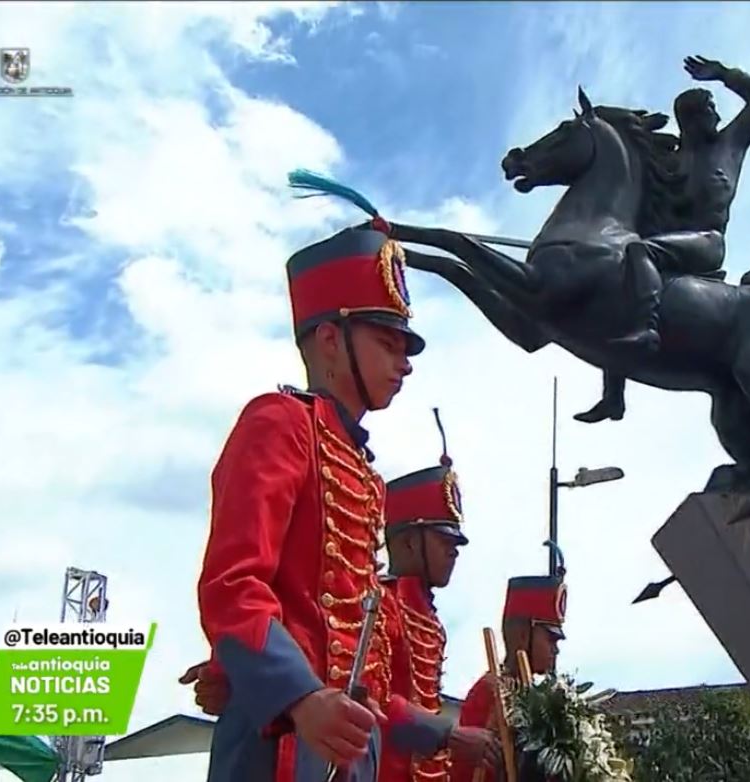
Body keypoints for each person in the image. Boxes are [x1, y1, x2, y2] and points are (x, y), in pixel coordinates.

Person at [195, 218, 457, 782]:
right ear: (331, 339)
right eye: (387, 342)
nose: (405, 361)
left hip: (344, 742)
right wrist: (297, 694)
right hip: (283, 737)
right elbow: (232, 584)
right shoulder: (280, 423)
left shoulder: (364, 469)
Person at [576, 54, 750, 425]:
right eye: (709, 111)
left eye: (715, 110)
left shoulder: (729, 145)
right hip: (668, 245)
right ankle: (613, 396)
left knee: (640, 250)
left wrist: (724, 75)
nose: (716, 118)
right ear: (691, 118)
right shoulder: (667, 160)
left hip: (706, 243)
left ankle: (648, 329)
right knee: (615, 271)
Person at [377, 410, 501, 781]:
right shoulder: (380, 603)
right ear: (409, 541)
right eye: (443, 539)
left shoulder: (428, 617)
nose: (454, 551)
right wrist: (447, 735)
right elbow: (373, 701)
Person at [447, 574, 567, 782]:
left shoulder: (533, 696)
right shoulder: (489, 693)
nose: (555, 650)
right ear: (522, 635)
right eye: (550, 638)